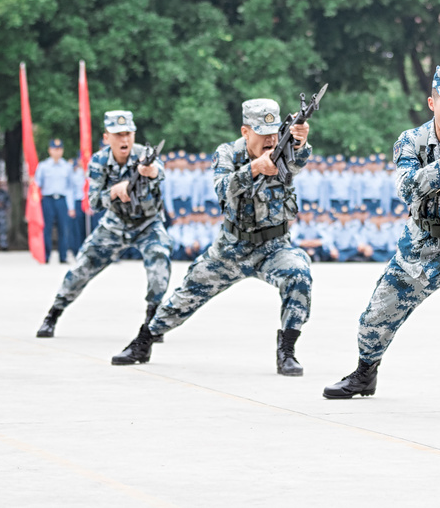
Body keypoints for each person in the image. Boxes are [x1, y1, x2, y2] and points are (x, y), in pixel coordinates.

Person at [322, 66, 440, 420]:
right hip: (419, 248)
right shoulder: (410, 141)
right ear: (432, 103)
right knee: (374, 318)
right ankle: (365, 374)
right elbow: (405, 187)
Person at [110, 98, 314, 376]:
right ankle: (144, 340)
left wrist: (300, 142)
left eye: (274, 133)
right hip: (231, 247)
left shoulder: (285, 149)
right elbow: (222, 188)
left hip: (274, 247)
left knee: (299, 273)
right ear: (245, 132)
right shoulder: (228, 153)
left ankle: (287, 350)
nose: (270, 139)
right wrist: (254, 169)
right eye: (262, 133)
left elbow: (299, 160)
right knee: (185, 296)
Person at [36, 112, 172, 339]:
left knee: (160, 258)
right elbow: (94, 202)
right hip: (114, 225)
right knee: (81, 268)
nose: (124, 140)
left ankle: (152, 323)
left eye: (128, 134)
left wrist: (151, 171)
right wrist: (115, 191)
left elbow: (159, 171)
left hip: (148, 224)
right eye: (118, 135)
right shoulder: (99, 161)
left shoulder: (144, 156)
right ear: (107, 137)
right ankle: (53, 314)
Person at [35, 139, 76, 264]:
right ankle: (45, 256)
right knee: (46, 228)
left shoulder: (67, 167)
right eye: (54, 149)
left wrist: (71, 206)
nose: (57, 152)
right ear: (50, 150)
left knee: (63, 229)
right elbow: (37, 185)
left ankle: (63, 256)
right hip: (47, 200)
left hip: (62, 200)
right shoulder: (43, 166)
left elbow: (70, 188)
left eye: (59, 149)